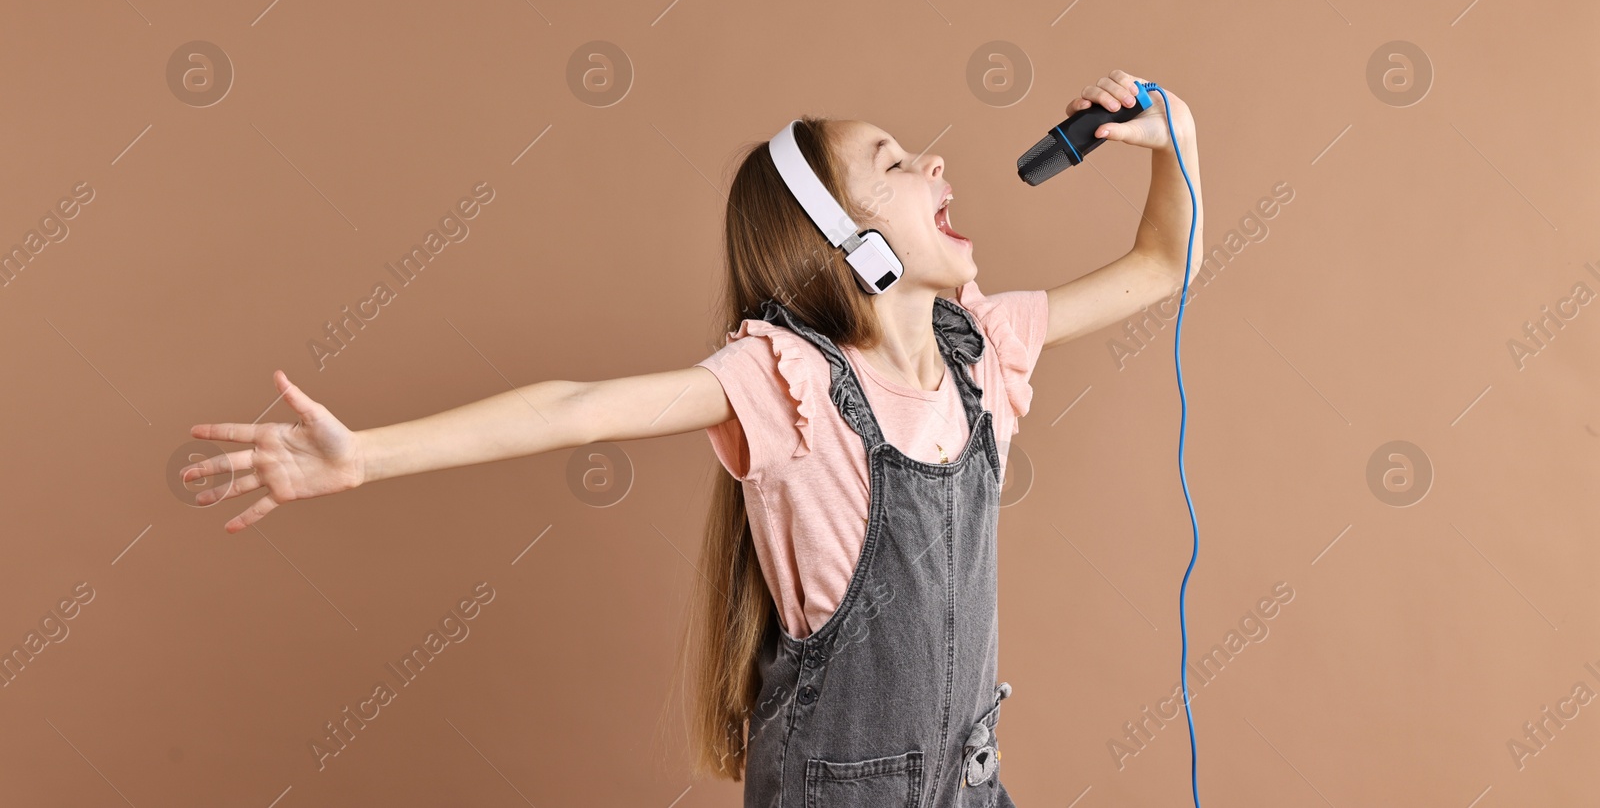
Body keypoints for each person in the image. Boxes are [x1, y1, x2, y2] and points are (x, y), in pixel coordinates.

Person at [185, 69, 1201, 806]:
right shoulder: (784, 378)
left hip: (966, 788)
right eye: (892, 163)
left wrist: (1175, 136)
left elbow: (1164, 263)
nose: (934, 160)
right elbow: (575, 404)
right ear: (847, 241)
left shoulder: (982, 347)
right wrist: (363, 453)